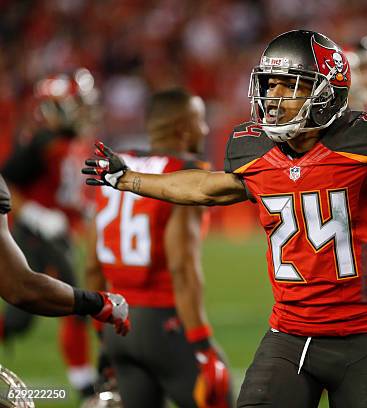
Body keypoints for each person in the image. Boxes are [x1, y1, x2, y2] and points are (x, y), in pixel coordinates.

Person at [82, 30, 367, 408]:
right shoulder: (252, 148)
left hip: (364, 341)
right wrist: (129, 179)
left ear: (326, 91)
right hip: (288, 336)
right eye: (270, 84)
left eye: (290, 85)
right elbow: (205, 187)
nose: (274, 97)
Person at [85, 88, 232, 408]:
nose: (205, 130)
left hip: (117, 325)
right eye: (200, 122)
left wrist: (102, 335)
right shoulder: (184, 173)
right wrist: (202, 342)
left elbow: (92, 266)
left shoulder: (116, 168)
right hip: (163, 325)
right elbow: (182, 266)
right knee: (219, 398)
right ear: (184, 128)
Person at [1, 69, 101, 396]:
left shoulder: (68, 141)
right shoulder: (42, 142)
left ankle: (85, 382)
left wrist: (81, 211)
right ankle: (85, 385)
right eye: (76, 103)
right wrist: (35, 213)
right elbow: (7, 182)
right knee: (73, 301)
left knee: (21, 319)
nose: (83, 110)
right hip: (33, 234)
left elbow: (66, 190)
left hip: (56, 235)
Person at [0, 174, 129, 331]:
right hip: (35, 235)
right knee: (17, 320)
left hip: (59, 232)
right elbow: (19, 287)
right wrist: (98, 303)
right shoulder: (40, 149)